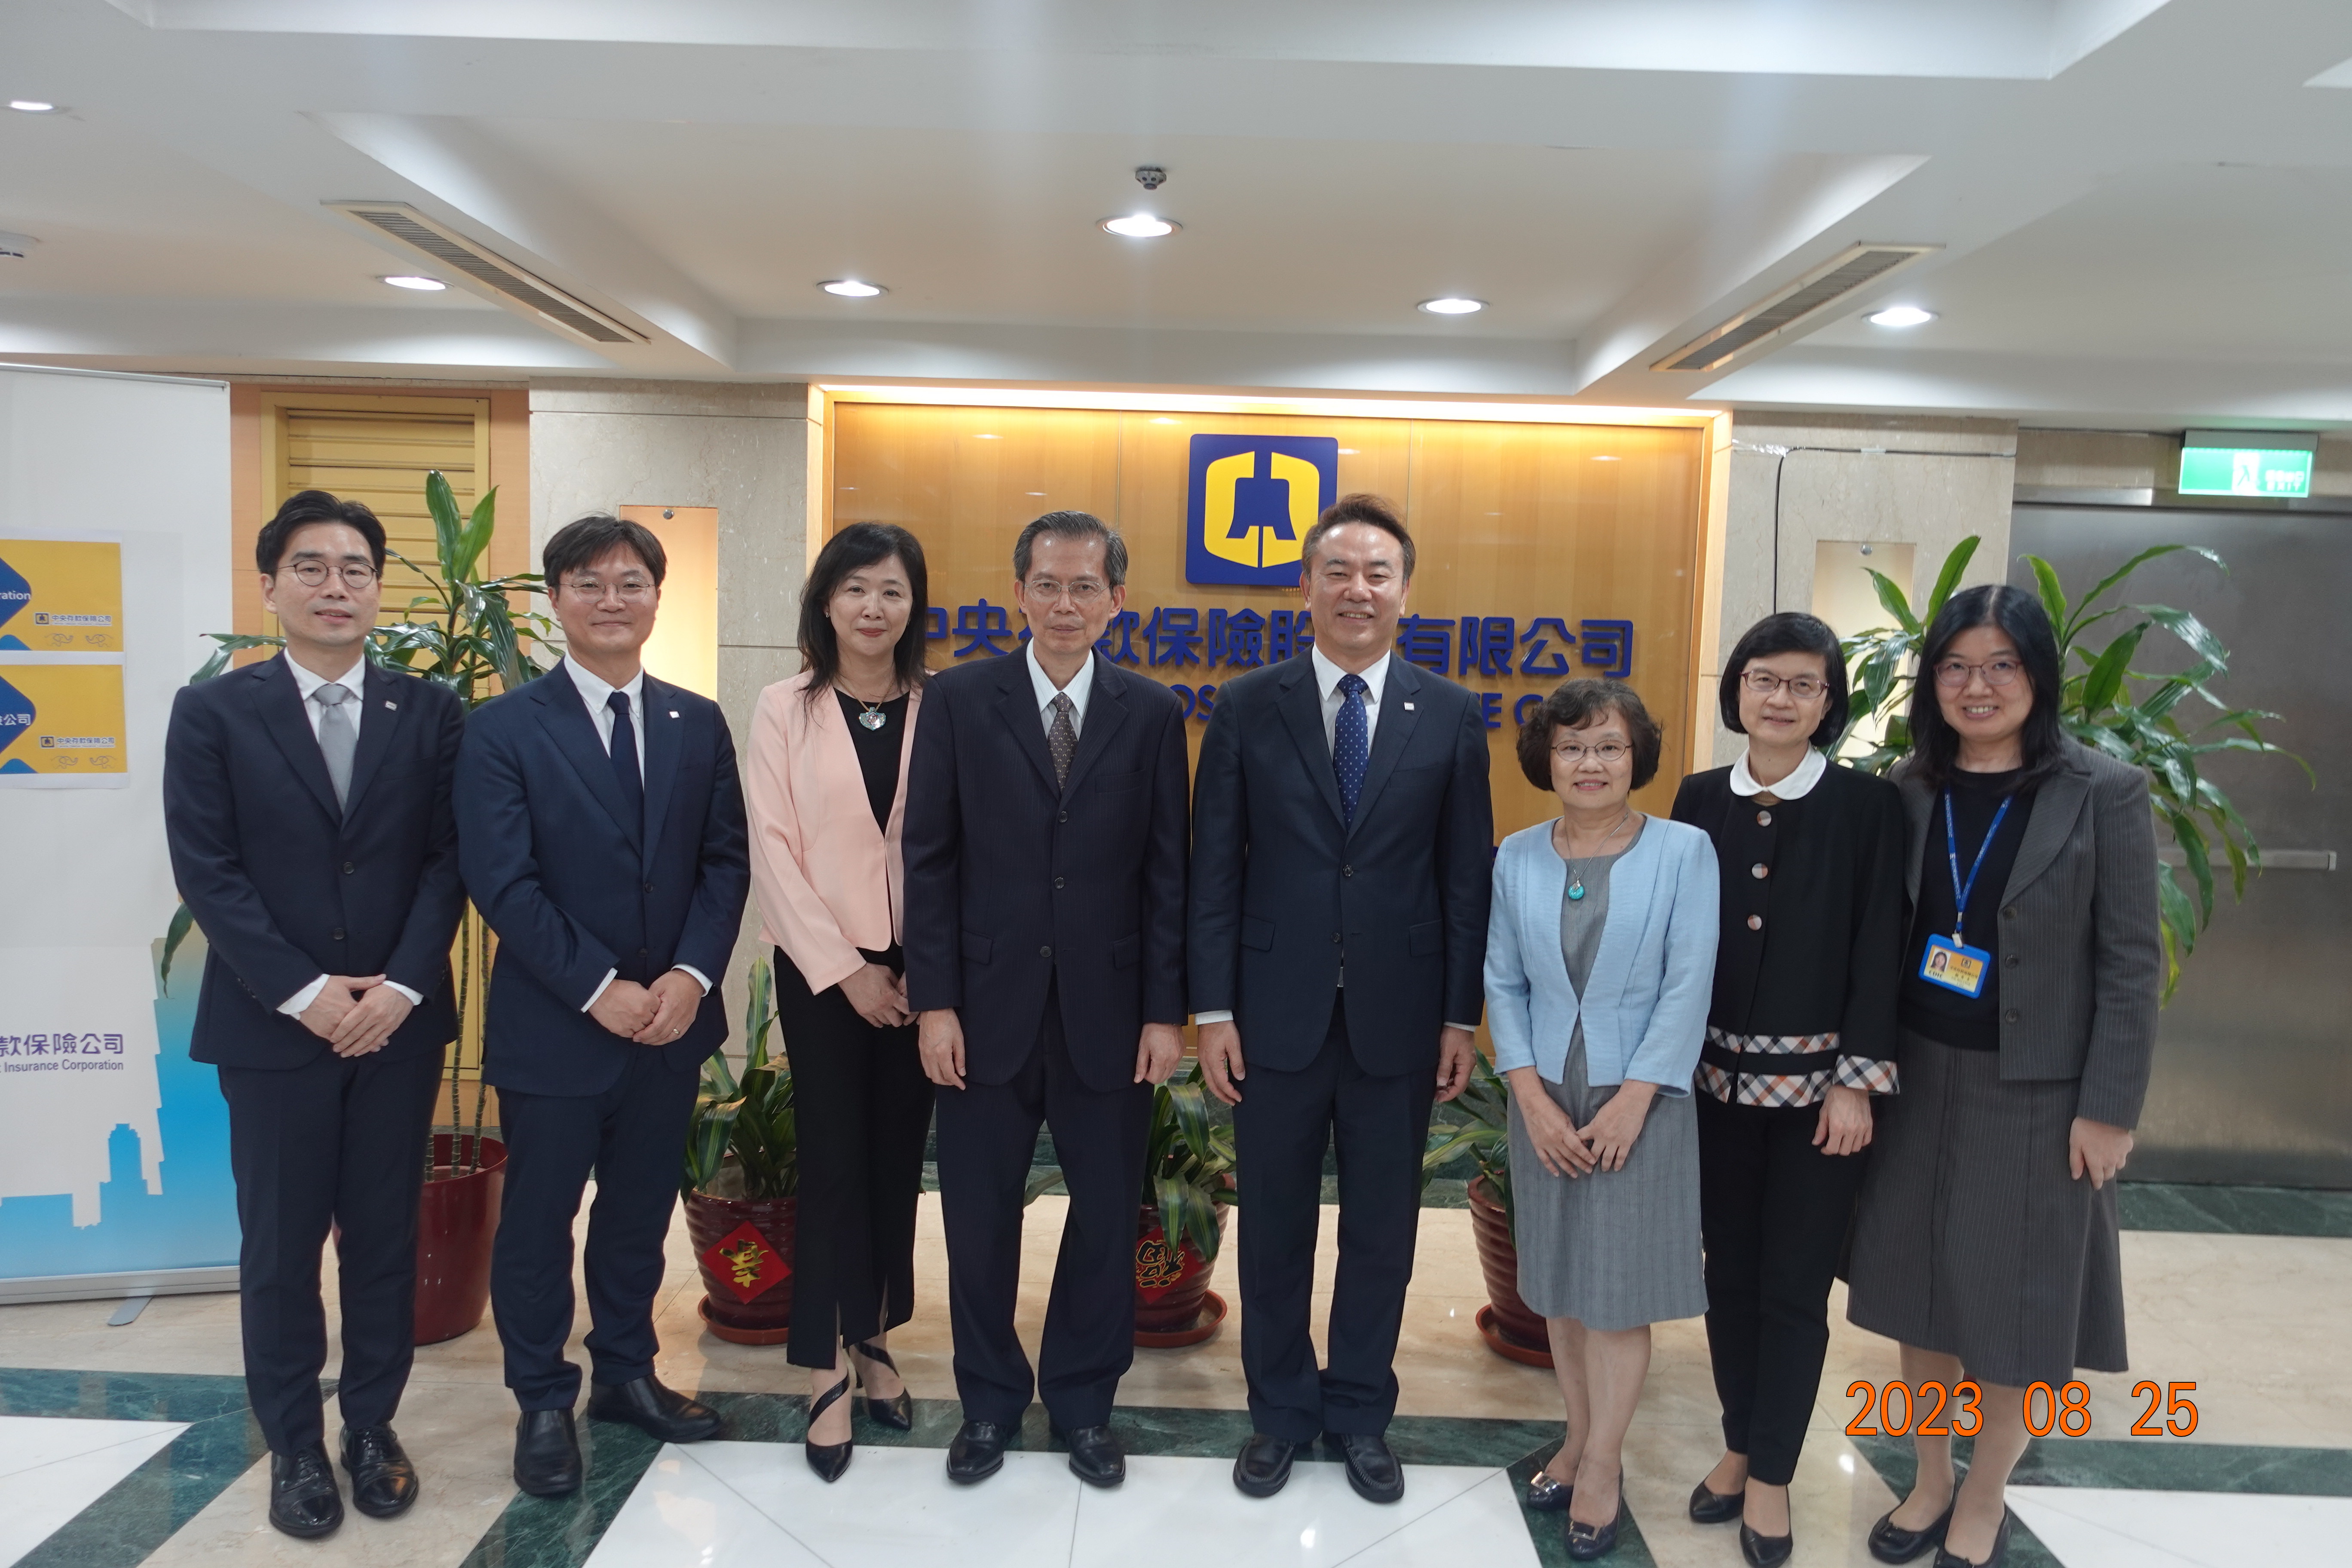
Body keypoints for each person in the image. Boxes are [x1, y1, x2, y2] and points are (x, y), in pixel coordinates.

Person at [163, 490, 466, 1540]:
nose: (336, 587)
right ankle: (295, 1438)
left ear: (379, 588)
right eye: (312, 568)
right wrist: (303, 993)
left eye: (355, 569)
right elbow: (209, 870)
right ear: (271, 585)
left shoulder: (429, 713)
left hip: (399, 1023)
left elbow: (447, 863)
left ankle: (370, 1427)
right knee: (281, 1246)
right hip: (271, 1026)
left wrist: (398, 989)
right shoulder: (213, 713)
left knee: (385, 1239)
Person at [1846, 585, 2159, 1568]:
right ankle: (1931, 1476)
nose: (1976, 687)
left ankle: (1985, 1492)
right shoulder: (1907, 788)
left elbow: (2131, 961)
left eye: (2000, 666)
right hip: (1915, 1076)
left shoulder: (2104, 790)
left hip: (2038, 1093)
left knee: (2018, 1304)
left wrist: (2108, 1108)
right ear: (1930, 679)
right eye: (1955, 666)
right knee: (1917, 1288)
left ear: (2037, 677)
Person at [1190, 492, 1492, 1505]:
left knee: (1382, 1232)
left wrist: (1460, 1016)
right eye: (1338, 572)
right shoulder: (1247, 704)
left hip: (1399, 1022)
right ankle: (1280, 1413)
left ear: (1406, 591)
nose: (1357, 590)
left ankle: (1360, 1411)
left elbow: (1463, 881)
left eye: (1377, 574)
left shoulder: (1449, 713)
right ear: (1306, 586)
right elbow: (1215, 871)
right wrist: (1214, 1010)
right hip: (1271, 1016)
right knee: (1274, 1226)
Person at [456, 513, 750, 1497]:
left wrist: (688, 979)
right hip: (557, 1027)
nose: (612, 600)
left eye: (631, 583)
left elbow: (724, 863)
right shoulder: (502, 729)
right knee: (540, 1221)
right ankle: (543, 1398)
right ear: (556, 601)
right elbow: (505, 882)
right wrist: (598, 988)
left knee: (636, 1215)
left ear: (657, 597)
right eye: (590, 584)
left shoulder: (696, 721)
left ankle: (627, 1373)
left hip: (669, 1027)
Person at [902, 509, 1190, 1490]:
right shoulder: (956, 700)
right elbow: (928, 859)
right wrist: (934, 1002)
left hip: (1111, 1014)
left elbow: (1168, 874)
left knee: (1107, 1216)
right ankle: (987, 1402)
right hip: (981, 1010)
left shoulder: (1153, 712)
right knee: (979, 1217)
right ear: (1017, 591)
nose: (1066, 604)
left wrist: (1166, 1012)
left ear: (1118, 600)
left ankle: (1081, 1404)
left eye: (1087, 587)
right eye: (1048, 585)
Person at [1669, 613, 1905, 1568]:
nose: (1780, 699)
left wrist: (1857, 1084)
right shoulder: (1695, 799)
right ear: (1737, 689)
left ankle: (1771, 1476)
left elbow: (1879, 950)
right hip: (1714, 1089)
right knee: (1729, 1280)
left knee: (1795, 1292)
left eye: (1803, 685)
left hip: (1819, 1102)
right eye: (1764, 679)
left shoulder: (1866, 807)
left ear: (1827, 701)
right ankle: (1738, 1443)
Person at [1486, 677, 1716, 1561]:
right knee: (1560, 1285)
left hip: (1640, 1101)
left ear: (1638, 758)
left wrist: (1636, 1098)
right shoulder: (1516, 855)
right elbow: (1501, 981)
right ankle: (1576, 1436)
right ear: (1547, 756)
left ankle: (1605, 1465)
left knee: (1616, 1296)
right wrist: (1531, 1098)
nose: (1591, 763)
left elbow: (1688, 982)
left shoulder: (1684, 852)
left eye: (1609, 746)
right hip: (1545, 1095)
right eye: (1573, 746)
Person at [744, 522, 933, 1482]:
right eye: (856, 589)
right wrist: (846, 969)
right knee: (833, 1164)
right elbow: (770, 849)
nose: (873, 608)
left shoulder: (940, 707)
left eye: (892, 591)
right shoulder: (785, 707)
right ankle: (821, 1363)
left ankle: (875, 1335)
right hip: (823, 973)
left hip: (922, 975)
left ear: (914, 606)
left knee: (898, 1164)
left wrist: (920, 970)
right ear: (826, 602)